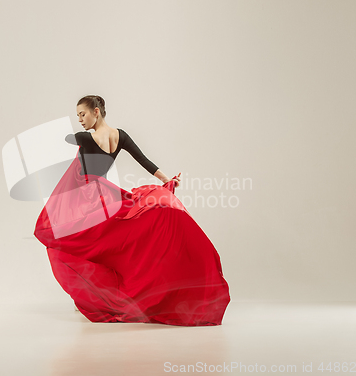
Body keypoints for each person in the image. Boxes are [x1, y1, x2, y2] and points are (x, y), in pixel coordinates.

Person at [34, 95, 230, 326]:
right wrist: (167, 179)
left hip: (87, 198)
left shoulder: (85, 138)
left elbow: (69, 139)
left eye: (83, 114)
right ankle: (93, 298)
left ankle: (95, 299)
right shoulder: (121, 135)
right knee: (100, 245)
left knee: (69, 240)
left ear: (96, 112)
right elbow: (143, 160)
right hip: (105, 196)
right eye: (77, 115)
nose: (79, 119)